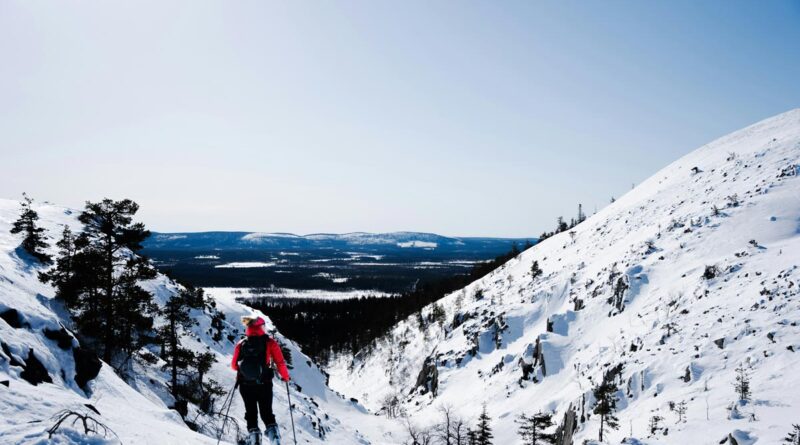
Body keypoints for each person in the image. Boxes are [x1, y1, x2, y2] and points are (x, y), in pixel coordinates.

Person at [231, 315, 291, 445]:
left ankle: (255, 439)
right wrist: (285, 377)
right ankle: (274, 438)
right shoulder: (270, 343)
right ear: (261, 327)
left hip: (246, 385)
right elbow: (280, 362)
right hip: (264, 384)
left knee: (251, 413)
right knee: (267, 412)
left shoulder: (241, 344)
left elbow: (234, 365)